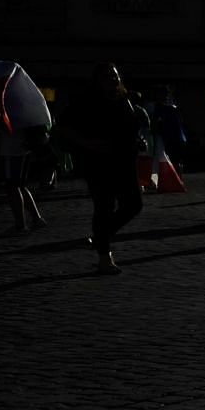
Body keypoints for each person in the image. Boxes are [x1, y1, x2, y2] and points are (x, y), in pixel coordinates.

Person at [63, 63, 144, 275]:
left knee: (134, 204)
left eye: (115, 76)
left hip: (125, 161)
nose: (113, 80)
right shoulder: (87, 102)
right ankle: (104, 259)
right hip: (99, 163)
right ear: (98, 80)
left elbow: (129, 126)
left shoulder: (125, 100)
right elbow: (64, 127)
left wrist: (137, 140)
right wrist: (88, 144)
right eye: (108, 76)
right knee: (104, 208)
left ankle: (100, 238)